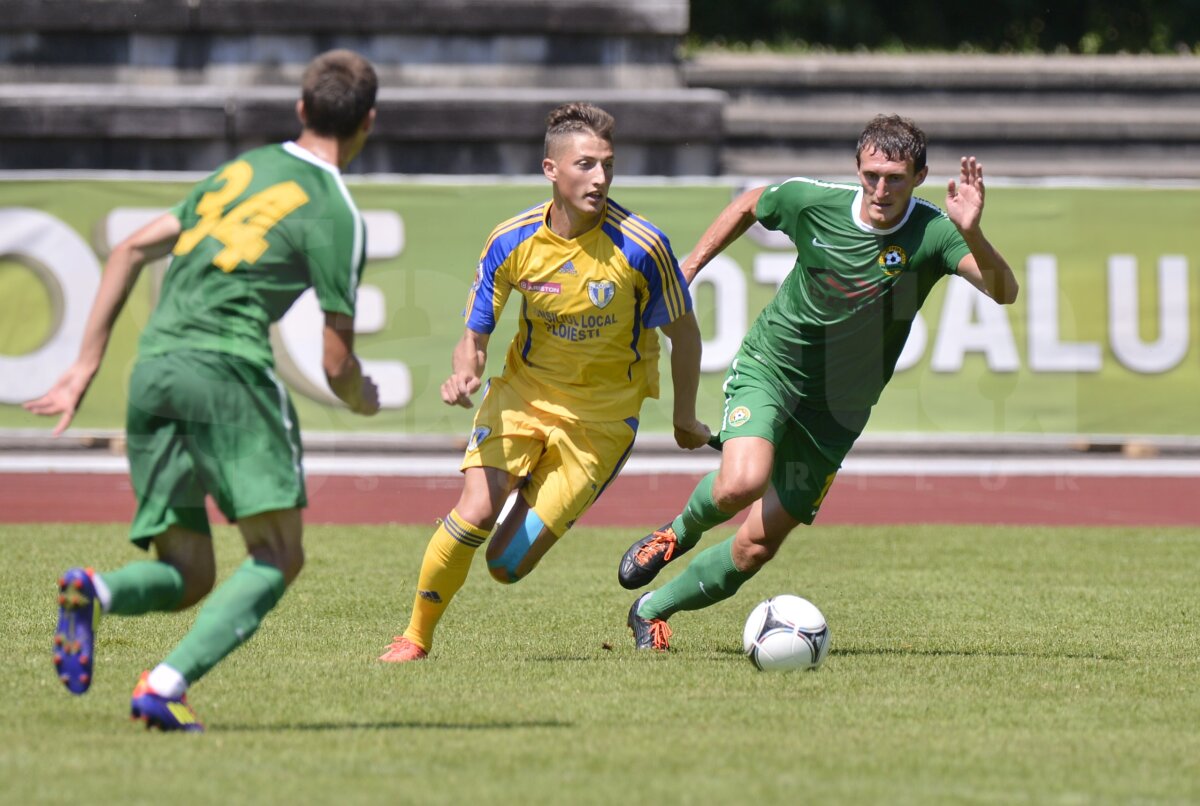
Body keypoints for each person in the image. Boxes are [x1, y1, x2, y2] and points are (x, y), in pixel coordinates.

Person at [24, 49, 382, 730]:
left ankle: (93, 589)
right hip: (225, 370)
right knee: (278, 554)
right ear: (369, 121)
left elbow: (131, 246)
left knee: (189, 574)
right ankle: (163, 684)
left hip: (155, 370)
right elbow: (337, 364)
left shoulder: (243, 168)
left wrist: (81, 369)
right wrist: (363, 396)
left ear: (302, 109)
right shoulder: (336, 209)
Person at [619, 114, 1019, 651]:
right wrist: (690, 266)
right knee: (742, 481)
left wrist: (971, 231)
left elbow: (1004, 292)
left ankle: (650, 610)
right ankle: (674, 534)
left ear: (919, 176)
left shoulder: (934, 232)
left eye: (896, 178)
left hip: (838, 413)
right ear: (857, 167)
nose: (881, 189)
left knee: (756, 547)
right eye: (872, 174)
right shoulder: (814, 201)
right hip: (773, 368)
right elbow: (750, 203)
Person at [378, 102, 710, 663]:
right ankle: (414, 638)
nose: (600, 178)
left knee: (506, 567)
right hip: (522, 397)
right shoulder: (511, 241)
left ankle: (530, 492)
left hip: (601, 424)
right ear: (551, 170)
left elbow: (688, 337)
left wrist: (683, 416)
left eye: (607, 164)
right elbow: (475, 334)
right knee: (475, 512)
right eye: (585, 165)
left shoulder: (642, 245)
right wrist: (466, 372)